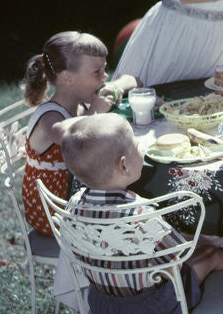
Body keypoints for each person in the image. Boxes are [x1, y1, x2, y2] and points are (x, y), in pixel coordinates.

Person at [59, 113, 223, 314]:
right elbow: (179, 257)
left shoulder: (74, 205)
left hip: (103, 305)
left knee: (192, 252)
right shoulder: (139, 213)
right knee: (210, 254)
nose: (143, 151)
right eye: (137, 147)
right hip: (153, 308)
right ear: (124, 166)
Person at [20, 31, 140, 236]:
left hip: (81, 198)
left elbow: (131, 79)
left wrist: (114, 88)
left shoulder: (81, 103)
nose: (104, 76)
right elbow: (72, 136)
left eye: (104, 69)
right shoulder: (49, 118)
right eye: (97, 72)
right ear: (67, 77)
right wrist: (96, 111)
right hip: (54, 212)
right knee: (131, 183)